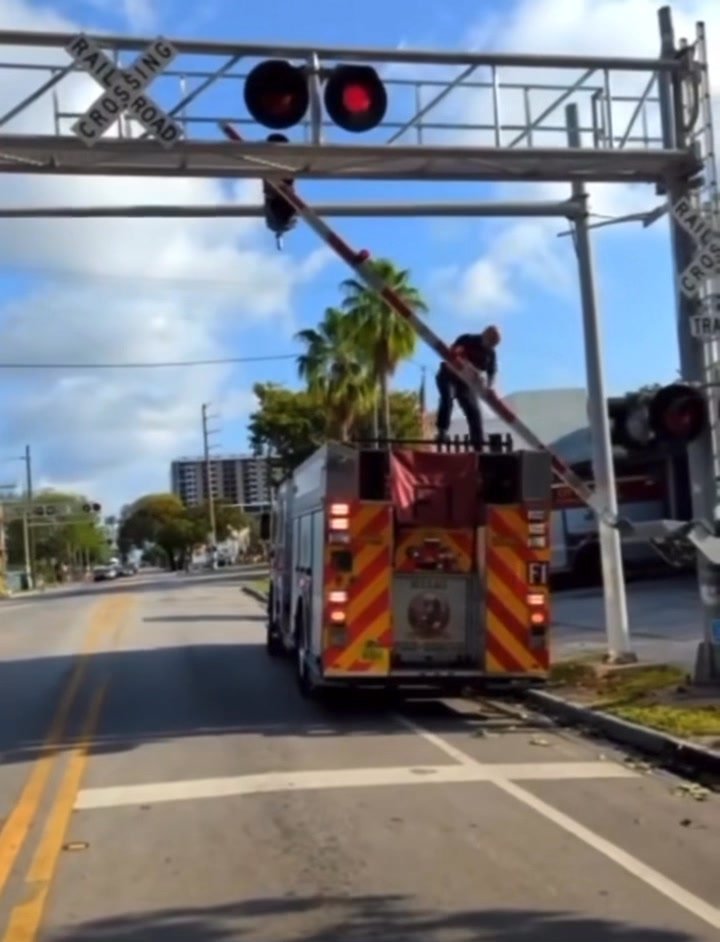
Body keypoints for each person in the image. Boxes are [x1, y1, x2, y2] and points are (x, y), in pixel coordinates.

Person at [435, 325, 501, 449]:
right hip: (448, 375)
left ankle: (478, 444)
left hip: (465, 383)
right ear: (485, 334)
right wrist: (469, 367)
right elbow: (453, 354)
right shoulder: (467, 339)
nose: (491, 346)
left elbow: (492, 373)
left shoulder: (491, 354)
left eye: (494, 344)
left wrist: (490, 387)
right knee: (447, 398)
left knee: (474, 411)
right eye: (490, 341)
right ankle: (442, 431)